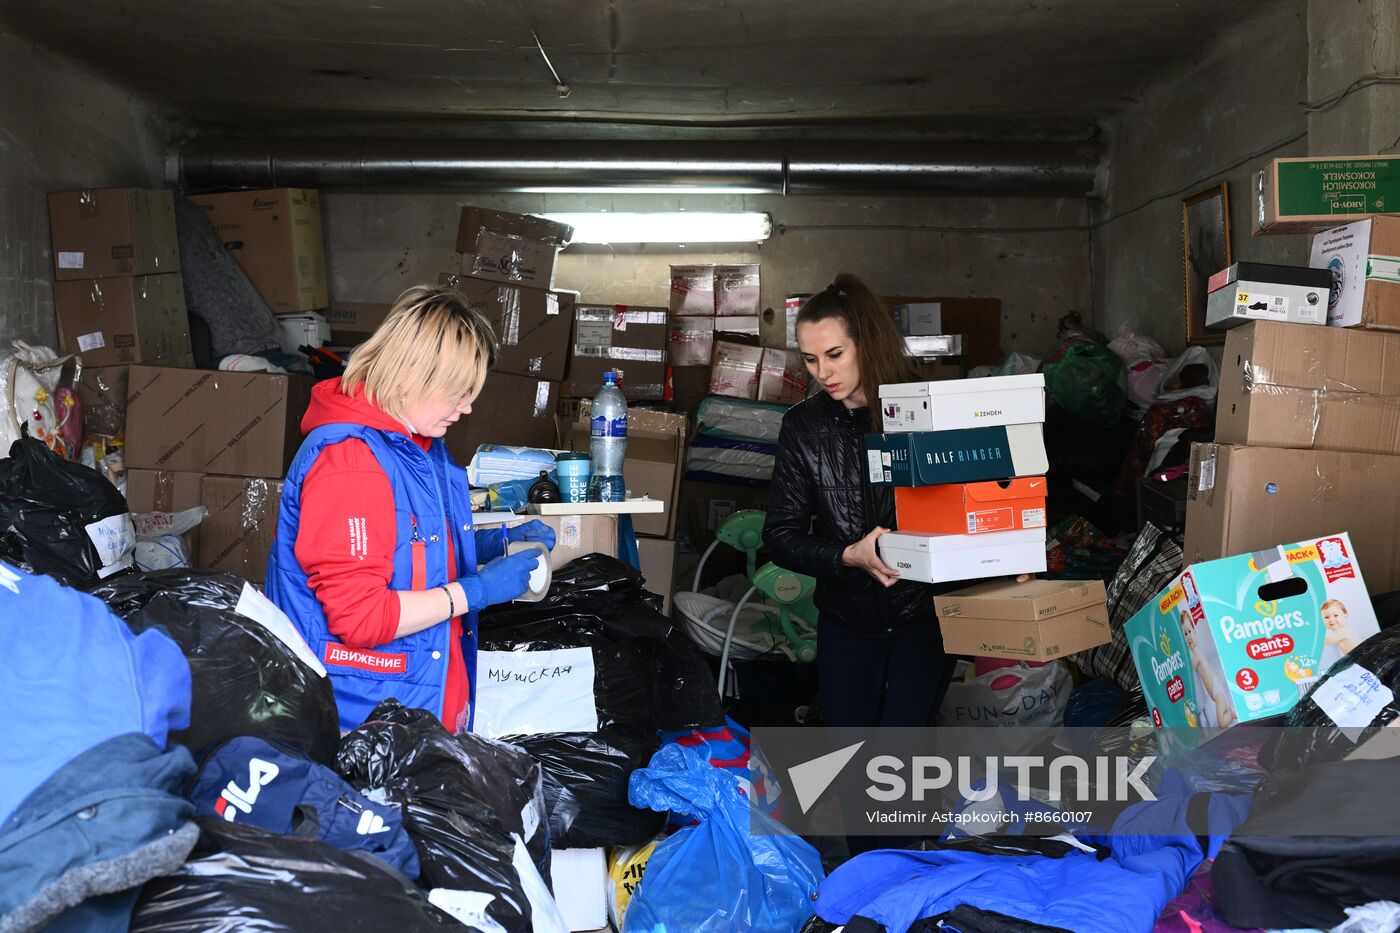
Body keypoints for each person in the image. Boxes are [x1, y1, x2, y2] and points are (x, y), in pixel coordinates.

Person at [266, 285, 554, 735]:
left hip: (408, 704)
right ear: (412, 375)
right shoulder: (352, 462)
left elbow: (411, 545)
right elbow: (360, 617)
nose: (468, 407)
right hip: (360, 719)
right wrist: (477, 591)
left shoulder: (416, 447)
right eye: (458, 392)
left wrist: (493, 542)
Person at [763, 273, 963, 731]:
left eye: (834, 354)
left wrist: (1005, 554)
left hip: (924, 619)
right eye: (811, 359)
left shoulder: (926, 410)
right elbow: (780, 535)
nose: (822, 373)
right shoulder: (803, 427)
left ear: (866, 343)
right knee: (851, 762)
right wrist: (845, 555)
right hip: (846, 622)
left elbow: (977, 503)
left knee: (902, 759)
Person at [1179, 610, 1236, 728]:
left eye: (1189, 631)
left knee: (1222, 723)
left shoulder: (1196, 651)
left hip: (1218, 693)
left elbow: (1193, 665)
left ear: (1194, 631)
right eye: (1185, 634)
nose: (1188, 636)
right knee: (1219, 720)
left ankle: (1231, 713)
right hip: (1216, 693)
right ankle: (1229, 713)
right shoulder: (1193, 651)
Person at [1318, 598, 1362, 673]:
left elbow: (1324, 641)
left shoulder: (1343, 631)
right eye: (1326, 617)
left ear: (1345, 615)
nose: (1331, 619)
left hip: (1361, 660)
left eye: (1335, 615)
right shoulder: (1341, 631)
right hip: (1356, 661)